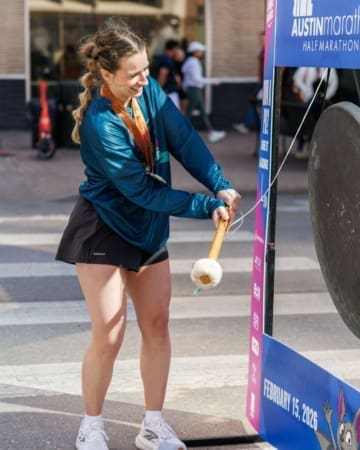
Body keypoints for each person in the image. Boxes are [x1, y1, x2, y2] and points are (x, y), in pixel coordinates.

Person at [55, 20, 241, 450]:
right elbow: (140, 190)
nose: (144, 78)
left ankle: (153, 425)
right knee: (111, 333)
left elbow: (183, 138)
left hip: (147, 226)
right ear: (107, 75)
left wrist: (219, 183)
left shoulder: (149, 92)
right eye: (133, 73)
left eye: (145, 69)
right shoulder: (102, 124)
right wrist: (203, 206)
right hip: (103, 226)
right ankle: (92, 425)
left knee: (157, 323)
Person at [181, 41, 226, 143]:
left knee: (197, 112)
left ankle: (210, 132)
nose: (202, 52)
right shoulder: (193, 62)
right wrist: (212, 81)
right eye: (200, 51)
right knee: (193, 112)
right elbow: (197, 79)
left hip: (193, 89)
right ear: (196, 52)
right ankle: (180, 133)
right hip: (194, 89)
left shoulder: (189, 61)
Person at [233, 31, 265, 136]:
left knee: (256, 103)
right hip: (261, 82)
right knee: (254, 103)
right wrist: (258, 78)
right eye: (260, 39)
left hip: (266, 82)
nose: (262, 41)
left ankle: (248, 125)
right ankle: (250, 124)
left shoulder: (270, 51)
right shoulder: (262, 51)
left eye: (263, 39)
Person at [151, 39, 182, 109]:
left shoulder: (165, 59)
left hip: (168, 92)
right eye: (177, 49)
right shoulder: (166, 60)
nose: (178, 51)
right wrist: (158, 91)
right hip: (168, 93)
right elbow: (163, 75)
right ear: (174, 49)